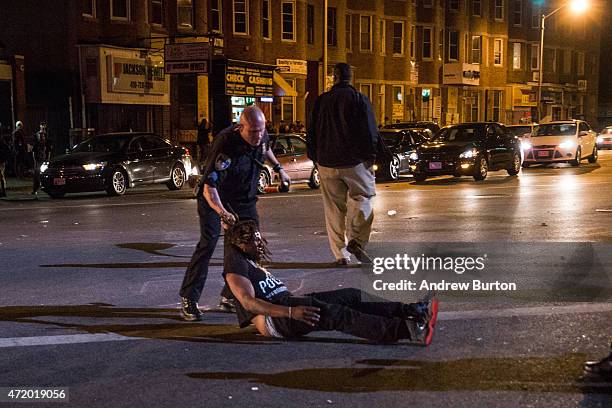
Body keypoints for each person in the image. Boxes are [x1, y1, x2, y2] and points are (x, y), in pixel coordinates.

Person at [223, 220, 438, 344]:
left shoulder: (247, 260)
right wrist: (291, 313)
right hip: (278, 320)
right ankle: (408, 330)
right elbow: (248, 302)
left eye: (260, 239)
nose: (260, 245)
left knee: (351, 295)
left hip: (289, 303)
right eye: (254, 242)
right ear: (240, 244)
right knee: (336, 315)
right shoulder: (236, 265)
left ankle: (411, 310)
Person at [179, 105, 291, 321]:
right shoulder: (226, 144)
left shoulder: (261, 134)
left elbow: (265, 147)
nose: (258, 136)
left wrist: (279, 168)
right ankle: (189, 298)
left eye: (261, 130)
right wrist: (222, 213)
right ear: (241, 128)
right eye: (253, 131)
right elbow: (209, 187)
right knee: (208, 243)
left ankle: (229, 296)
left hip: (244, 198)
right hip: (216, 198)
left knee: (249, 246)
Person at [307, 62, 379, 266]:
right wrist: (370, 155)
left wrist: (316, 157)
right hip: (355, 161)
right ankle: (357, 240)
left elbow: (311, 132)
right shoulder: (358, 99)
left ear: (334, 78)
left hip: (327, 161)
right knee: (363, 198)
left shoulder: (321, 101)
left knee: (333, 209)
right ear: (350, 78)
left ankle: (340, 254)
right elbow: (370, 131)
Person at [31, 122, 52, 196]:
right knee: (37, 173)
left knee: (44, 173)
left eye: (44, 126)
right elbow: (34, 148)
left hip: (44, 156)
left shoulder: (47, 136)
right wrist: (34, 159)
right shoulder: (36, 135)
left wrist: (48, 158)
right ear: (40, 127)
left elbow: (49, 148)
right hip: (38, 157)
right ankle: (35, 189)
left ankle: (45, 187)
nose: (43, 128)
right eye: (42, 126)